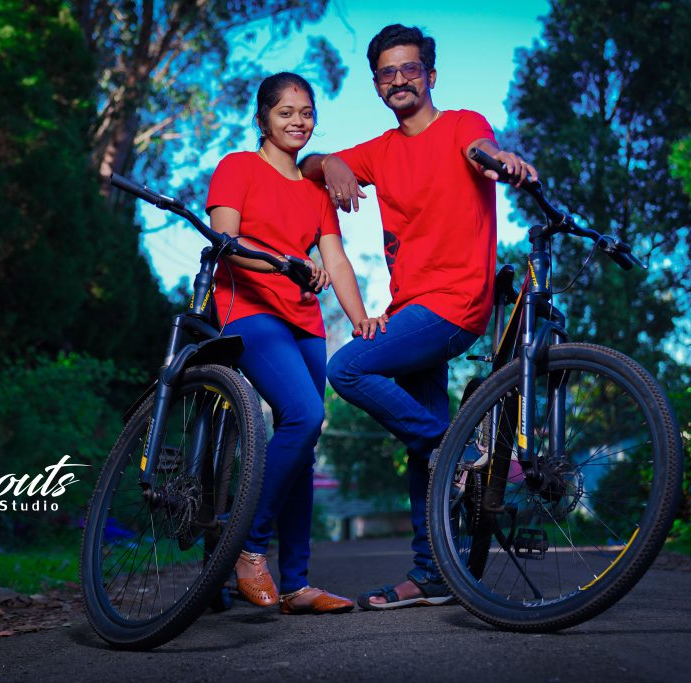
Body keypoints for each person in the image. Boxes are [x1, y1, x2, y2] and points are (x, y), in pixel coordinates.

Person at [300, 24, 537, 610]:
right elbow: (307, 165)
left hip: (455, 303)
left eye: (411, 69)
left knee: (348, 368)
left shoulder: (461, 124)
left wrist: (498, 159)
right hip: (409, 309)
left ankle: (458, 452)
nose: (400, 79)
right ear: (378, 84)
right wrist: (326, 161)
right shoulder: (381, 151)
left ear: (430, 75)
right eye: (388, 72)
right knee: (420, 447)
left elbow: (480, 152)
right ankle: (432, 572)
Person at [207, 72, 381, 615]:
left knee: (303, 446)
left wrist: (360, 319)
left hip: (305, 322)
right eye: (285, 112)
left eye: (306, 112)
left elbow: (335, 259)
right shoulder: (238, 166)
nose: (297, 121)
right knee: (303, 415)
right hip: (249, 309)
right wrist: (284, 263)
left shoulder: (315, 191)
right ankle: (248, 548)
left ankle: (298, 585)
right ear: (262, 118)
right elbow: (225, 242)